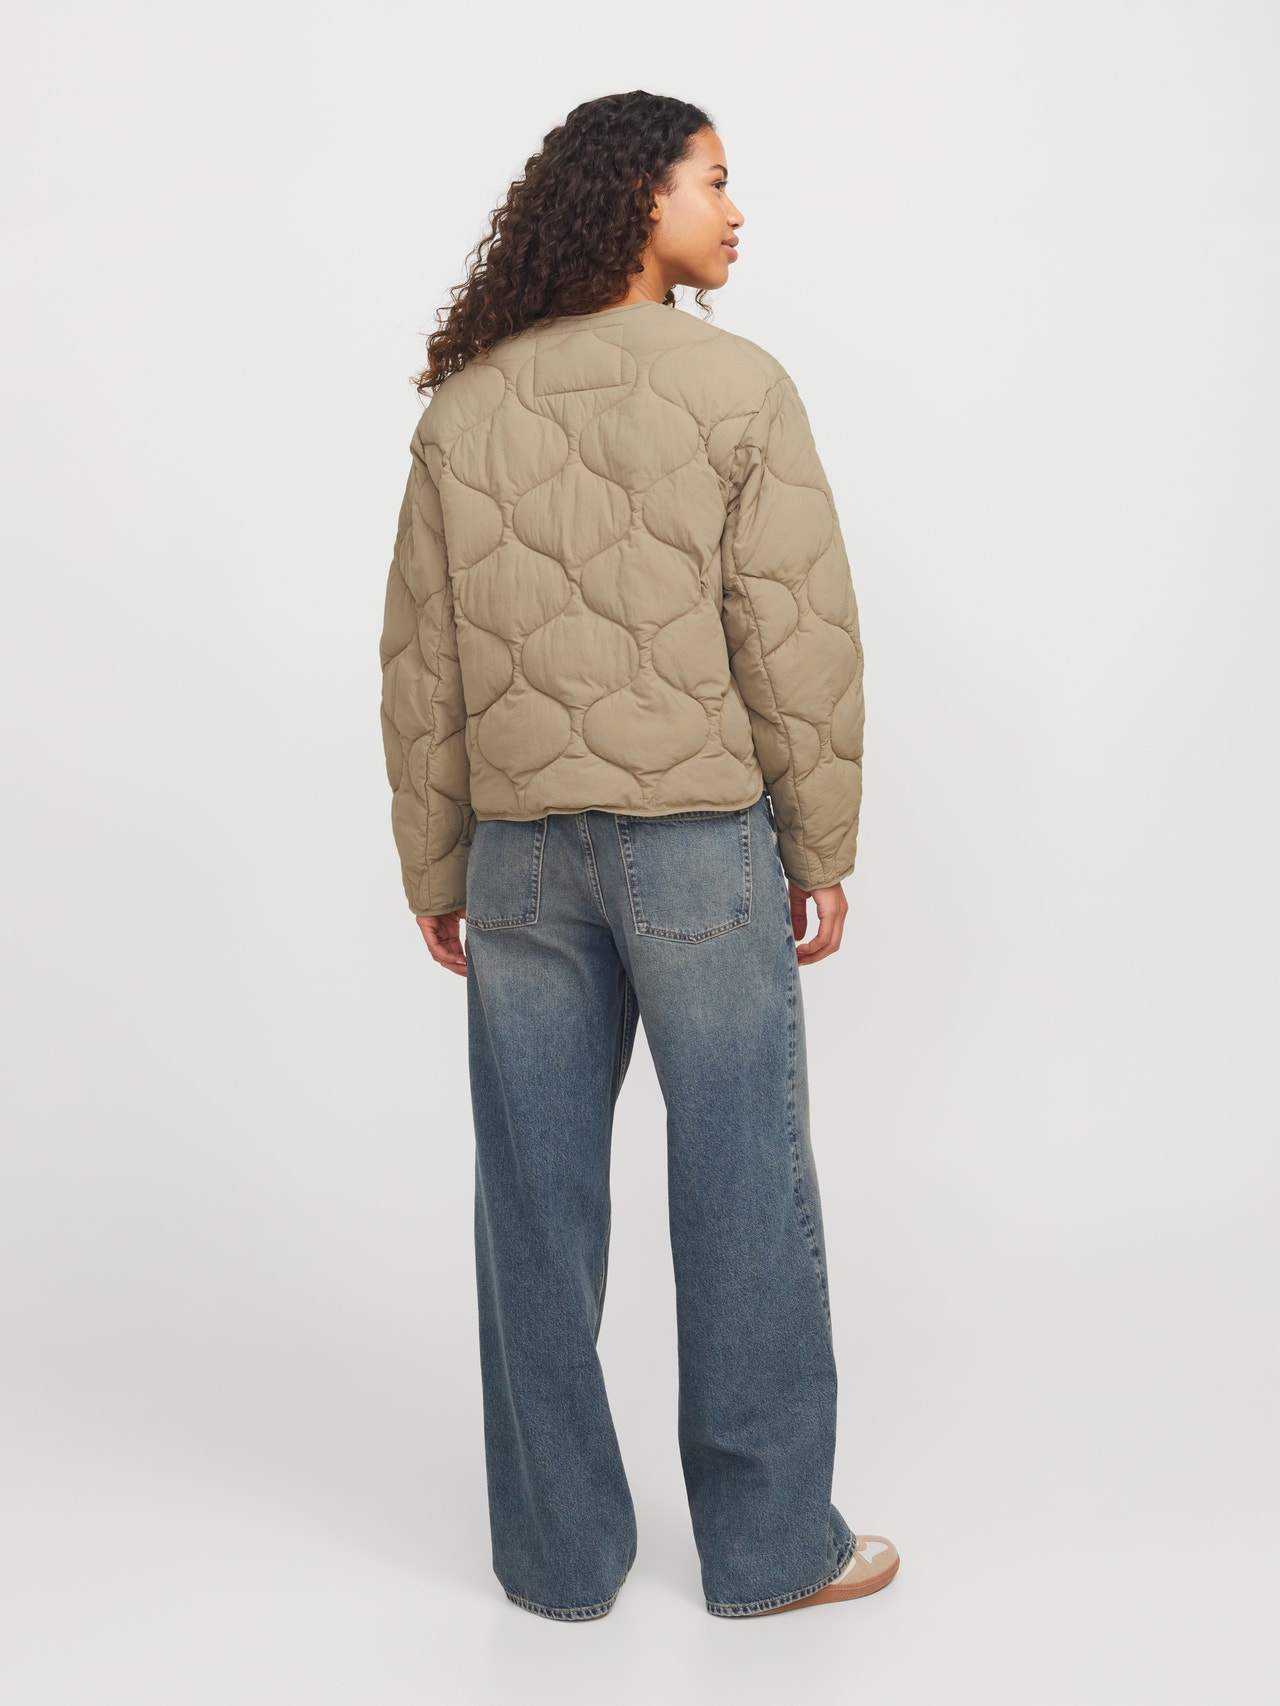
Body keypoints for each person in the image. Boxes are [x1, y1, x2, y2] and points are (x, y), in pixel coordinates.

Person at [377, 89, 899, 1621]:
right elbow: (795, 634)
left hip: (520, 859)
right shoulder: (737, 386)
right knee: (743, 1189)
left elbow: (423, 666)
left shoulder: (467, 408)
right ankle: (771, 1547)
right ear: (635, 198)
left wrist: (436, 863)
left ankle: (557, 1559)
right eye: (713, 181)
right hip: (695, 852)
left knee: (532, 1211)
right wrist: (821, 841)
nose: (735, 211)